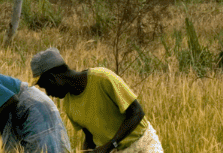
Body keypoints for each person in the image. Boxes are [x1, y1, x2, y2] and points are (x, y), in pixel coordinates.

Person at [31, 48, 163, 153]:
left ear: (53, 78)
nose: (48, 94)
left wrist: (110, 145)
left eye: (46, 87)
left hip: (143, 144)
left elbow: (137, 113)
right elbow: (89, 136)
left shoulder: (103, 78)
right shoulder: (69, 105)